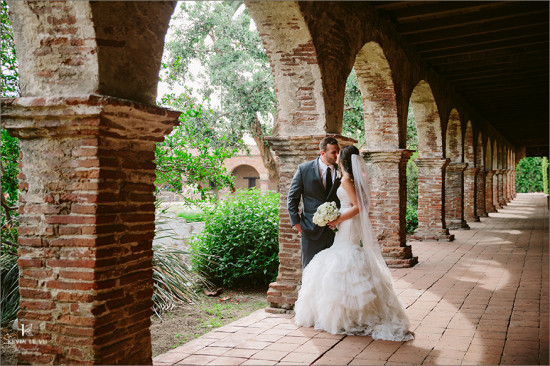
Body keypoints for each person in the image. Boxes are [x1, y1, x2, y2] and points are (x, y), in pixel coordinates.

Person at [293, 145, 414, 341]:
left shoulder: (348, 180)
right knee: (342, 255)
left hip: (348, 223)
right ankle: (351, 313)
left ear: (344, 159)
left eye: (339, 154)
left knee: (344, 256)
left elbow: (358, 206)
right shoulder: (352, 179)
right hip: (347, 222)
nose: (336, 156)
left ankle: (348, 316)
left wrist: (337, 219)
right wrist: (337, 217)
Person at [288, 137, 341, 269]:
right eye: (333, 152)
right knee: (310, 271)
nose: (337, 155)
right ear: (322, 153)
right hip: (310, 230)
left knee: (333, 273)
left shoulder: (342, 170)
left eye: (338, 151)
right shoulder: (304, 170)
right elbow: (292, 199)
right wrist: (298, 225)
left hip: (335, 231)